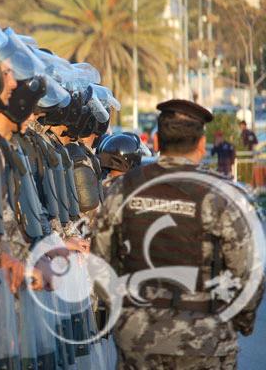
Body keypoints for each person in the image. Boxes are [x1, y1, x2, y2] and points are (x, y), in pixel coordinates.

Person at [93, 99, 265, 370]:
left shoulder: (124, 189)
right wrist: (241, 321)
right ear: (201, 144)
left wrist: (123, 312)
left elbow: (99, 262)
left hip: (138, 337)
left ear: (157, 141)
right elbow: (248, 271)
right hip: (205, 337)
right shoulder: (221, 196)